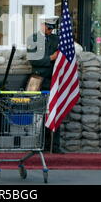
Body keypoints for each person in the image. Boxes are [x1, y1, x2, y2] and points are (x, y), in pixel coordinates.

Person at [26, 15, 64, 153]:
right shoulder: (33, 39)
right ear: (42, 25)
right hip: (39, 80)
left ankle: (54, 146)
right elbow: (33, 59)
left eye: (52, 28)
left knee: (54, 112)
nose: (50, 31)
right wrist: (50, 58)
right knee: (38, 114)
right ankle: (38, 144)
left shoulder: (56, 39)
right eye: (48, 28)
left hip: (53, 80)